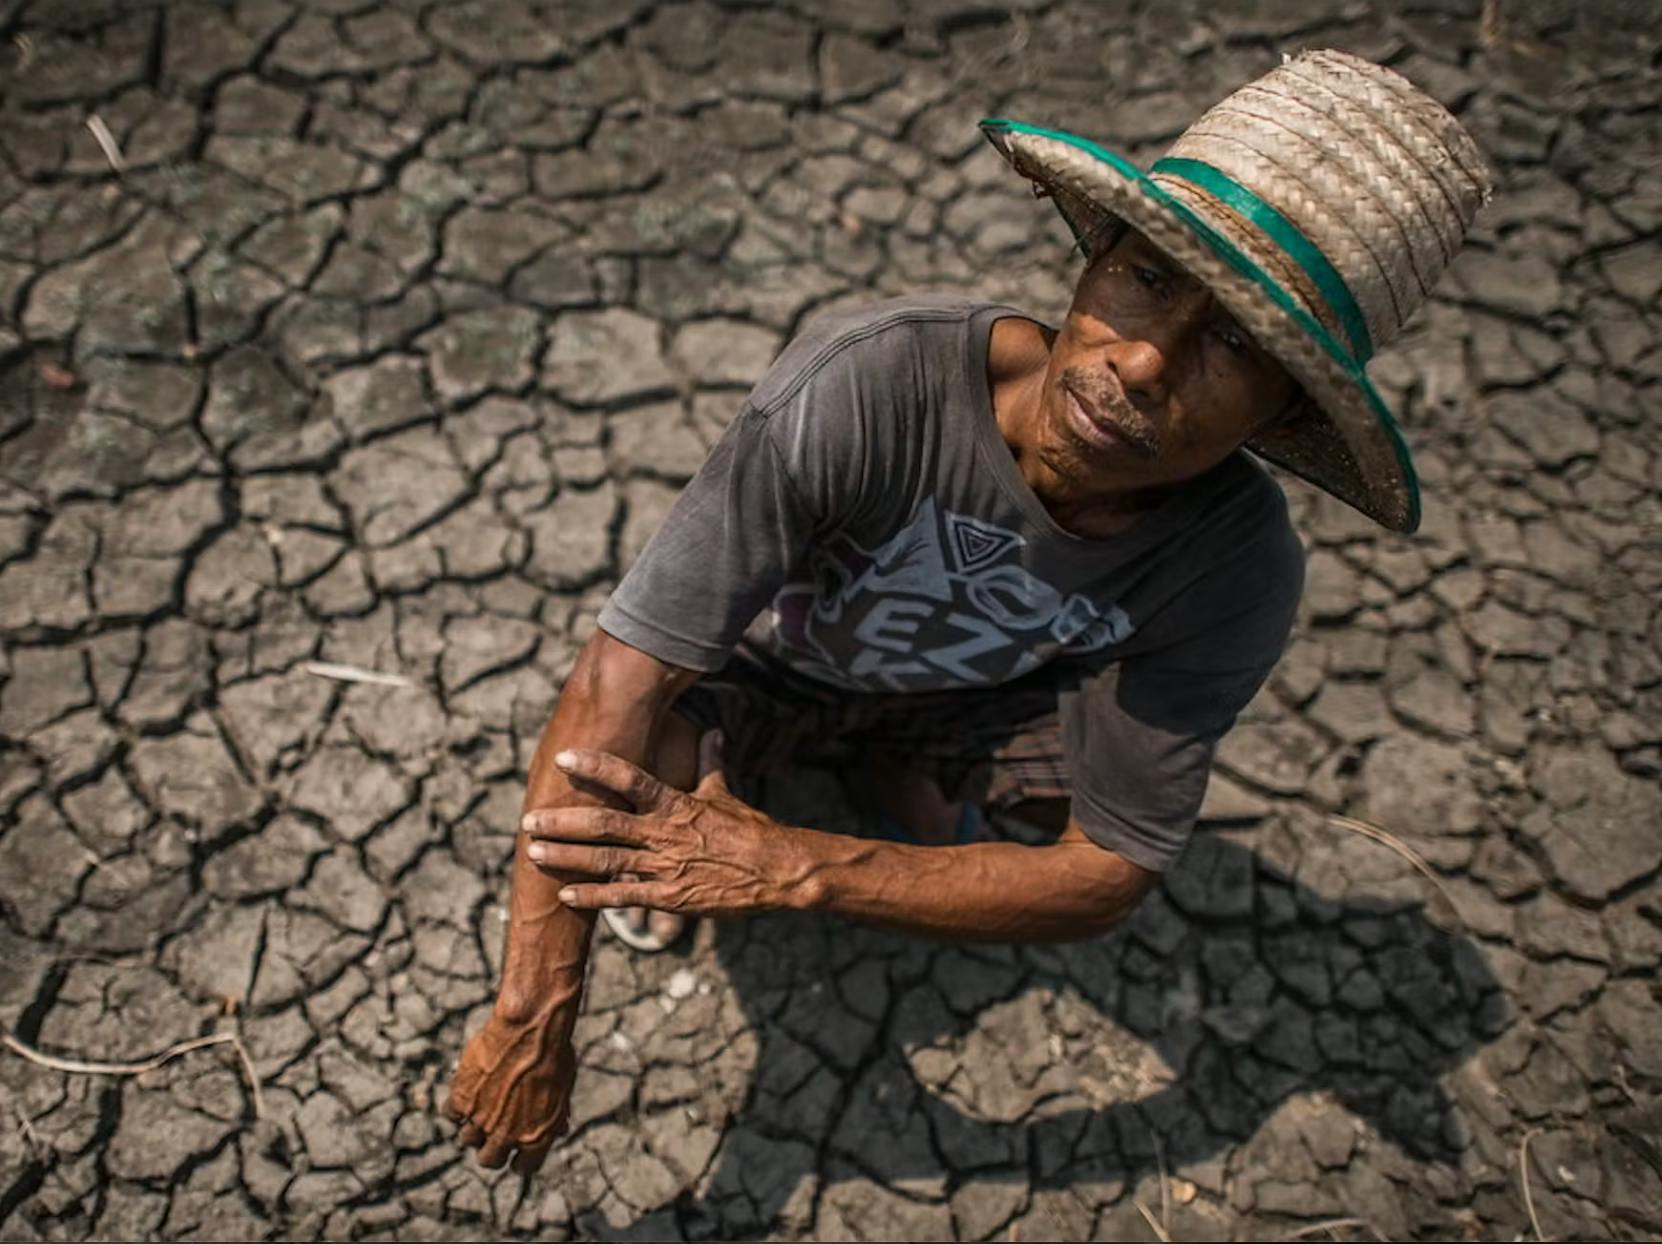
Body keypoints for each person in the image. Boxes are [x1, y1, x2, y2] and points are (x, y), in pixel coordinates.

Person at [446, 49, 1491, 1174]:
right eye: (1146, 277)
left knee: (1039, 834)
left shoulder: (1236, 567)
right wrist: (532, 1017)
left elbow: (1107, 874)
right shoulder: (871, 385)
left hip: (973, 704)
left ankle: (863, 799)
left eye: (1236, 345)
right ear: (1093, 263)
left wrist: (797, 864)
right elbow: (615, 679)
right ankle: (741, 817)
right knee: (634, 752)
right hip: (762, 676)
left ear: (1285, 414)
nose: (1144, 360)